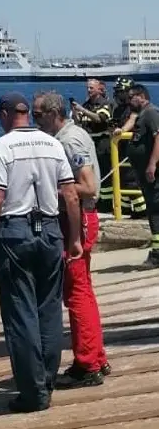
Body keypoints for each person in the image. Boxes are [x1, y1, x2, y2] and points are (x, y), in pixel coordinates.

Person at [0, 92, 83, 413]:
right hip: (49, 230)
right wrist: (74, 238)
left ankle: (33, 393)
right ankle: (46, 381)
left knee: (20, 313)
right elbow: (71, 195)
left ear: (7, 114)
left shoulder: (1, 146)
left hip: (16, 231)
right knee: (49, 309)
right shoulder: (53, 144)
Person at [32, 91, 110, 388]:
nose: (35, 121)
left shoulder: (68, 140)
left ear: (53, 113)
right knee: (83, 291)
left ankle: (87, 363)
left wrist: (53, 188)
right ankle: (96, 356)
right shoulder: (73, 134)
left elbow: (89, 187)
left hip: (76, 221)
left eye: (38, 115)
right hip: (76, 219)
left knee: (76, 293)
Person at [126, 84, 159, 266]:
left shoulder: (151, 113)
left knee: (155, 210)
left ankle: (157, 252)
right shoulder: (141, 115)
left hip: (153, 173)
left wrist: (152, 164)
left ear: (142, 97)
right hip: (144, 172)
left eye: (132, 97)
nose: (129, 100)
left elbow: (158, 137)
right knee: (153, 209)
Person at [70, 79, 113, 212]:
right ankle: (95, 200)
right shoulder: (86, 104)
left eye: (91, 88)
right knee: (91, 174)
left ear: (99, 89)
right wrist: (76, 113)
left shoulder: (105, 104)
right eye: (87, 88)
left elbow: (100, 118)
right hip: (88, 143)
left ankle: (106, 204)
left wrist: (82, 109)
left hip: (102, 143)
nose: (89, 91)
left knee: (104, 173)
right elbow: (80, 123)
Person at [110, 78, 146, 218]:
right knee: (122, 180)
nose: (118, 95)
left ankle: (141, 210)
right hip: (120, 149)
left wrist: (122, 130)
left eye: (121, 92)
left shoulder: (135, 107)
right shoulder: (118, 109)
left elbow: (132, 119)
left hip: (132, 148)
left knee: (131, 180)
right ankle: (123, 208)